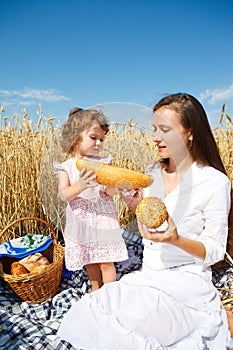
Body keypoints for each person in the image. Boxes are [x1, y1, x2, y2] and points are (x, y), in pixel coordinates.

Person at [56, 94, 232, 349]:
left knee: (132, 332)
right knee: (88, 311)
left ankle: (219, 319)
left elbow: (215, 251)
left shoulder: (215, 183)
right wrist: (135, 204)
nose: (155, 137)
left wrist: (176, 239)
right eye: (154, 129)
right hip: (147, 276)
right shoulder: (150, 175)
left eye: (165, 130)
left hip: (185, 280)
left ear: (190, 133)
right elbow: (147, 228)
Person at [54, 107, 128, 292]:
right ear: (74, 138)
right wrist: (80, 185)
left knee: (105, 260)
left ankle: (110, 292)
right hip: (81, 220)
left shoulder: (103, 163)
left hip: (103, 218)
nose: (98, 143)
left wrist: (117, 188)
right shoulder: (66, 166)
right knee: (90, 259)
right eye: (93, 138)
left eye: (101, 139)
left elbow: (107, 191)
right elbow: (63, 195)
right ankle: (96, 288)